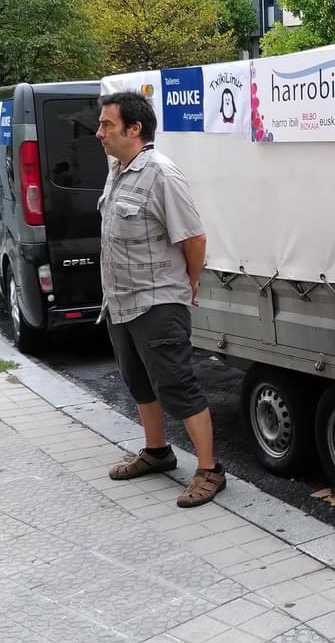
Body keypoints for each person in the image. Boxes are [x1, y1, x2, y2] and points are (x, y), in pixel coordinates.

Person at [96, 91, 225, 508]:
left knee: (176, 385)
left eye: (107, 125)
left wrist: (187, 283)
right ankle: (157, 452)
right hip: (120, 299)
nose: (99, 132)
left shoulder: (162, 174)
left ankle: (209, 470)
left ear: (134, 129)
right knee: (138, 381)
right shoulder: (118, 170)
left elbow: (194, 237)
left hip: (156, 301)